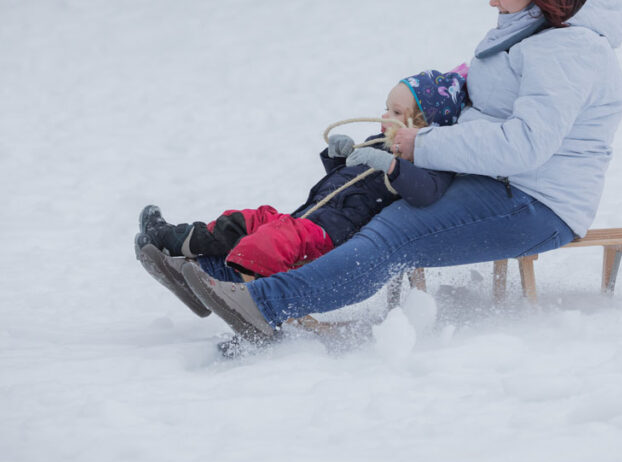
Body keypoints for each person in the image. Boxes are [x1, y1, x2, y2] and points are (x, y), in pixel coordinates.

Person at [165, 0, 622, 342]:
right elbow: (481, 99)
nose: (492, 1)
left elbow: (526, 145)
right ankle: (225, 277)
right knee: (364, 202)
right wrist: (416, 105)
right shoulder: (532, 32)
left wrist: (422, 145)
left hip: (537, 202)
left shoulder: (569, 49)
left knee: (393, 236)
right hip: (495, 180)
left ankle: (266, 304)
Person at [134, 69, 467, 319]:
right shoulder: (379, 142)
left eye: (396, 113)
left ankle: (213, 278)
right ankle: (173, 242)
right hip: (310, 217)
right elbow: (345, 187)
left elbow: (426, 192)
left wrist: (391, 165)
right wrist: (338, 159)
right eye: (386, 108)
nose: (384, 117)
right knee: (248, 220)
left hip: (330, 235)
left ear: (423, 124)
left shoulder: (427, 162)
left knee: (270, 243)